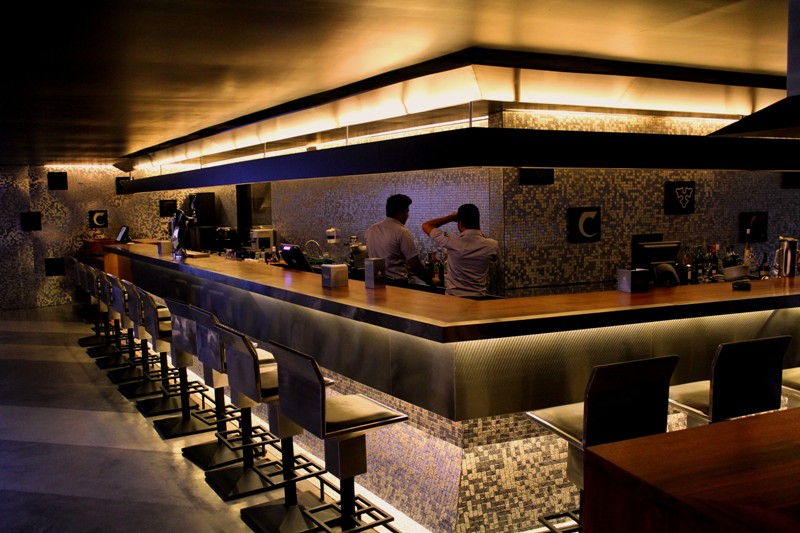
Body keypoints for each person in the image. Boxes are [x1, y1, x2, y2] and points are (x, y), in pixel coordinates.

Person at [422, 204, 499, 298]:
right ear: (478, 222)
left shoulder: (451, 240)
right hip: (478, 298)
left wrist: (451, 217)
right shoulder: (492, 245)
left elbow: (426, 225)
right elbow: (494, 257)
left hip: (454, 299)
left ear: (460, 223)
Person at [365, 194, 435, 286]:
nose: (408, 215)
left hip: (375, 282)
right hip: (397, 284)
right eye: (407, 212)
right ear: (400, 213)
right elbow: (414, 265)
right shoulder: (402, 232)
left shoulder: (371, 230)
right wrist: (431, 282)